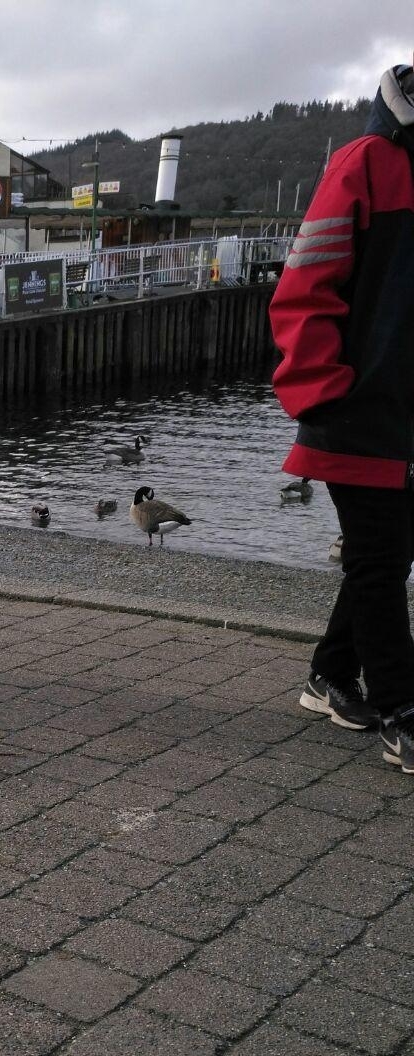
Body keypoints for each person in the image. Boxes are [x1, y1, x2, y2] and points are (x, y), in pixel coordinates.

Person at [271, 60, 414, 774]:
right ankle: (402, 710)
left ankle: (330, 675)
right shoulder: (366, 161)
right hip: (361, 412)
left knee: (386, 554)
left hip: (399, 415)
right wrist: (327, 393)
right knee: (383, 558)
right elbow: (305, 284)